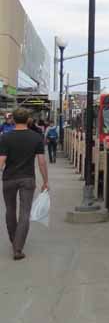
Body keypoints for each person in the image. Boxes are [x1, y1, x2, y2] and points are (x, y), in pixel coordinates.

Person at [0, 108, 49, 260]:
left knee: (10, 210)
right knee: (25, 212)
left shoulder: (5, 138)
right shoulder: (36, 137)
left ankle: (14, 240)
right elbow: (41, 162)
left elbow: (1, 161)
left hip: (9, 178)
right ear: (28, 120)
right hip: (28, 179)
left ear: (13, 120)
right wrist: (45, 181)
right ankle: (18, 247)